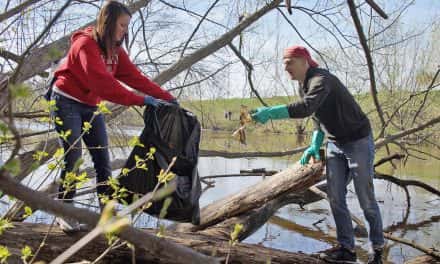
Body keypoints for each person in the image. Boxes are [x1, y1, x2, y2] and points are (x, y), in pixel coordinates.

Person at [50, 0, 176, 232]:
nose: (124, 31)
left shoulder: (116, 51)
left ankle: (107, 214)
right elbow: (103, 85)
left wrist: (167, 98)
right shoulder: (84, 45)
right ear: (107, 23)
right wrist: (141, 100)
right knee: (73, 157)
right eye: (121, 25)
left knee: (102, 161)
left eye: (127, 26)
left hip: (90, 106)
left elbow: (137, 78)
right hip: (66, 101)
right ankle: (64, 213)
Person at [251, 45, 384, 264]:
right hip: (334, 143)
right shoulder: (304, 86)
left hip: (358, 141)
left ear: (304, 61)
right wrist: (314, 144)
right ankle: (346, 249)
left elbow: (305, 108)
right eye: (284, 64)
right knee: (335, 196)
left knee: (366, 198)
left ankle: (377, 250)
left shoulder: (322, 80)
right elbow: (316, 117)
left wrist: (271, 112)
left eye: (289, 63)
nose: (286, 69)